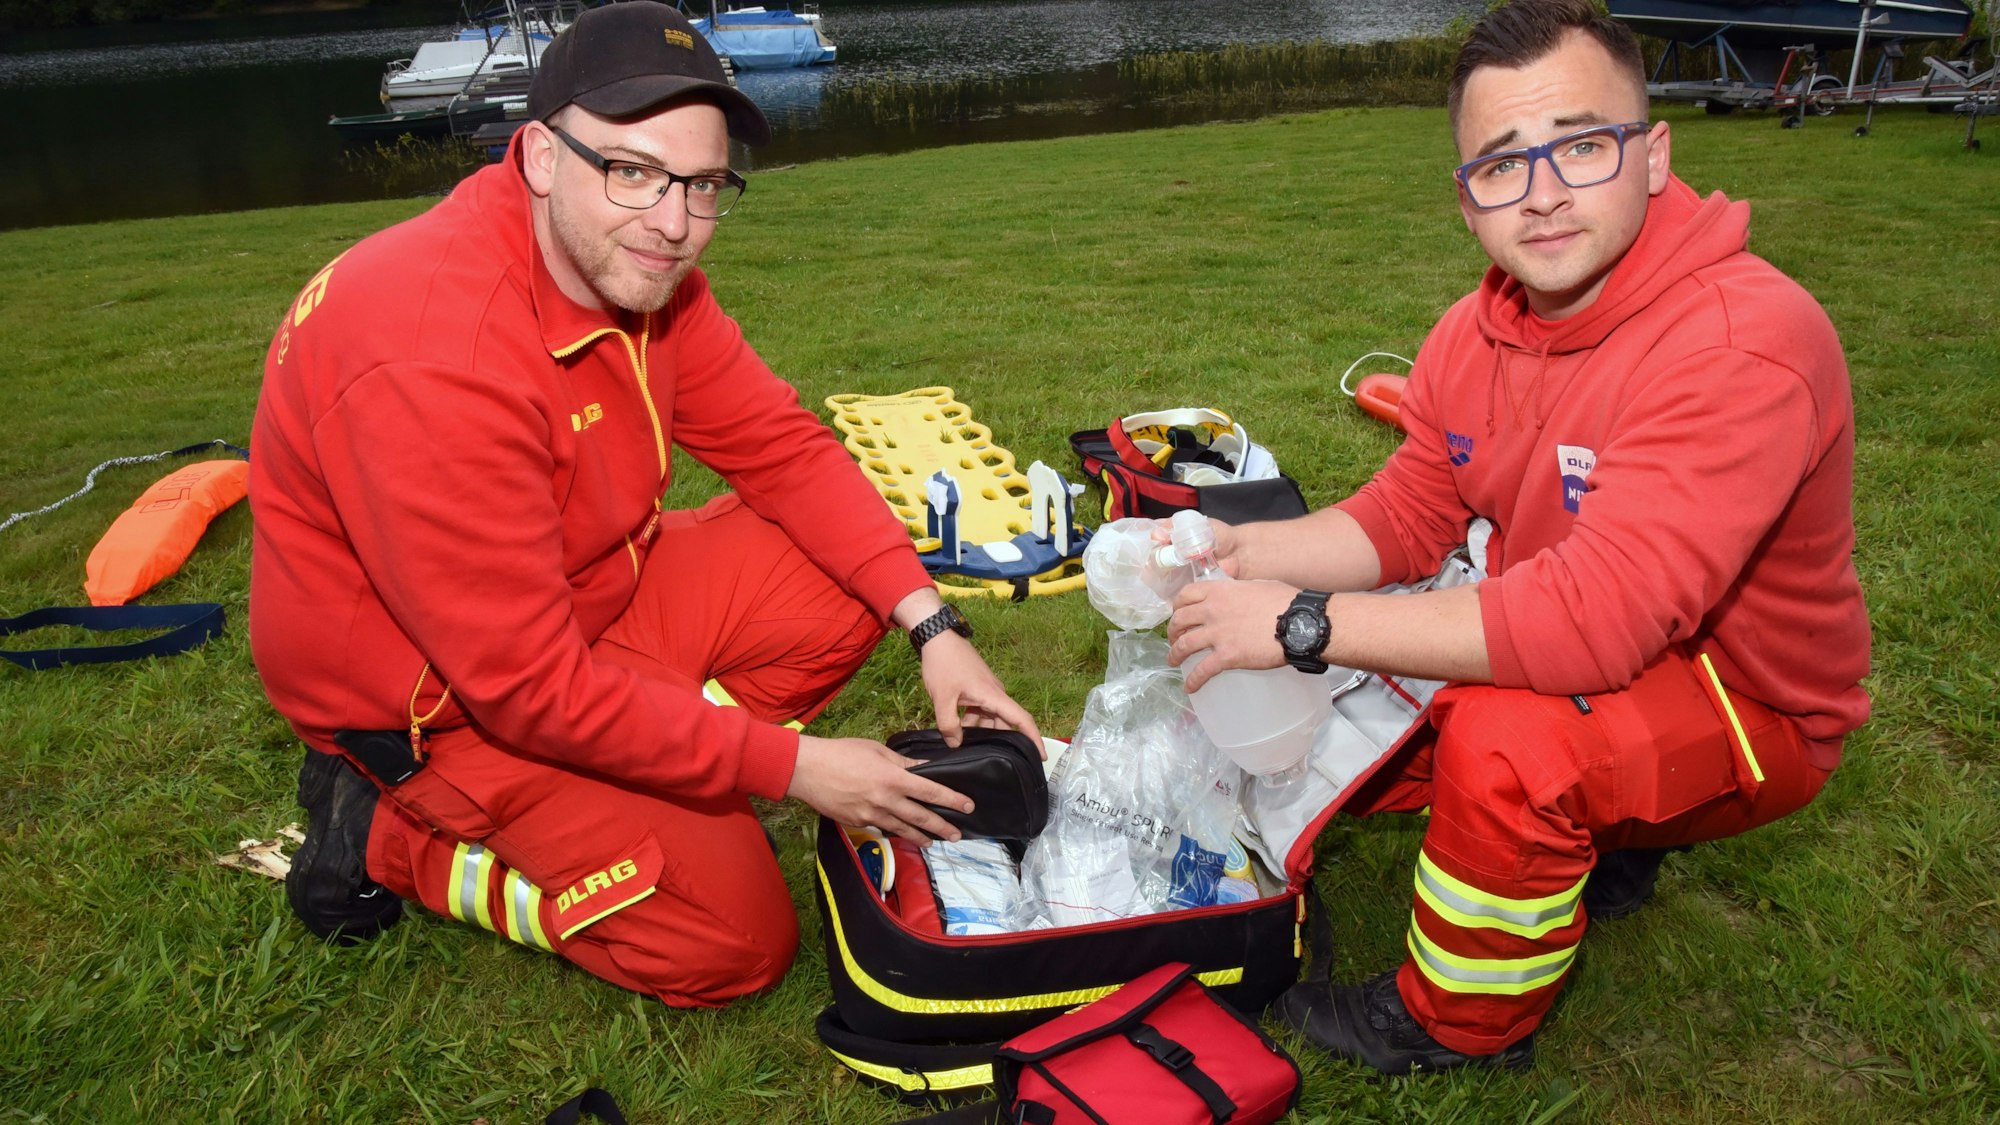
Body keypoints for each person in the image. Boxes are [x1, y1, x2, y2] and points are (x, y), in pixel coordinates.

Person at [248, 2, 1040, 1009]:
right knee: (732, 944)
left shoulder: (633, 275)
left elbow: (784, 451)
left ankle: (654, 778)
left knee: (851, 578)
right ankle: (387, 836)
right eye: (632, 171)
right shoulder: (431, 356)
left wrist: (934, 627)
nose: (674, 223)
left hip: (589, 606)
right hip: (442, 707)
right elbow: (526, 687)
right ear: (538, 156)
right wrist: (788, 766)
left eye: (704, 185)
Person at [1162, 0, 1869, 1073]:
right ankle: (1609, 837)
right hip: (1598, 631)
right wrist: (1243, 554)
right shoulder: (1472, 328)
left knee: (1500, 742)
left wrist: (1302, 626)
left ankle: (1459, 1025)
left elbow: (1593, 622)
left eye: (1580, 147)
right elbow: (1408, 514)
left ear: (1651, 154)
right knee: (1403, 734)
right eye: (1499, 165)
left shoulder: (1740, 342)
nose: (1539, 196)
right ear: (1464, 195)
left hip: (1750, 700)